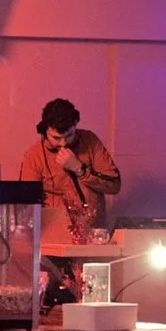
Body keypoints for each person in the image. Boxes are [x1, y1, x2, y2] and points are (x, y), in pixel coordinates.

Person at [19, 98, 122, 242]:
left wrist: (79, 169)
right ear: (44, 131)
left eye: (69, 136)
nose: (63, 143)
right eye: (56, 138)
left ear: (75, 125)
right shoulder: (34, 156)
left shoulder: (90, 141)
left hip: (93, 234)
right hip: (55, 236)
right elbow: (26, 204)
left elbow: (114, 185)